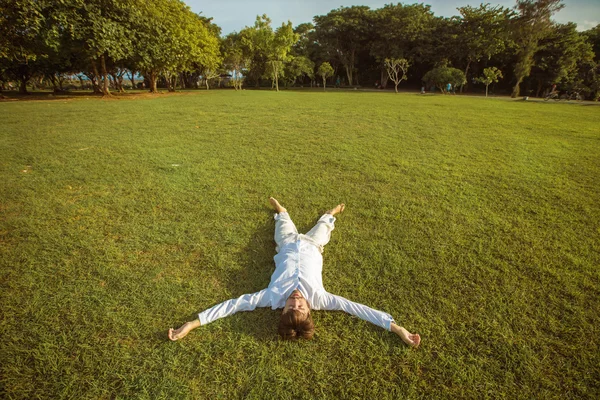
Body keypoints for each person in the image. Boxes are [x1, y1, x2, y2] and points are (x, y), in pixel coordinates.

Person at [168, 198, 421, 347]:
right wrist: (396, 328)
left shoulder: (271, 297)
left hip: (287, 242)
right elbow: (357, 308)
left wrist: (192, 323)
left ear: (283, 310)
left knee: (283, 218)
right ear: (310, 311)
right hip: (313, 245)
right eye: (300, 307)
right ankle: (331, 213)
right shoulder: (321, 299)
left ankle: (280, 209)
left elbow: (234, 305)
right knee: (324, 224)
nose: (296, 301)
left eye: (290, 307)